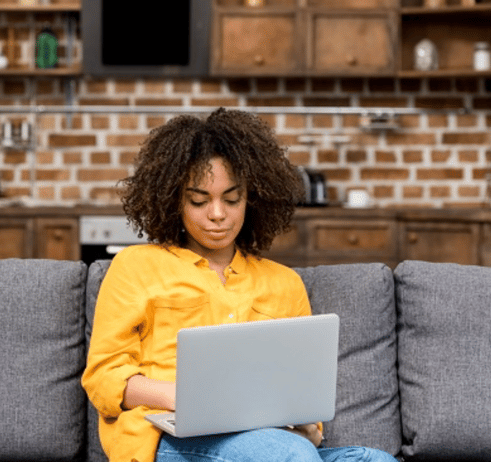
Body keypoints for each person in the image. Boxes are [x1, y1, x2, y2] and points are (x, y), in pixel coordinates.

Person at [81, 108, 397, 462]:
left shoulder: (284, 283)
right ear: (175, 201)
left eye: (232, 199)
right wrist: (183, 397)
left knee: (375, 459)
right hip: (167, 436)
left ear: (253, 198)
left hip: (273, 441)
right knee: (289, 455)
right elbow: (104, 377)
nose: (217, 214)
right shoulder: (136, 266)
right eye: (199, 200)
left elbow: (302, 399)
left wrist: (307, 426)